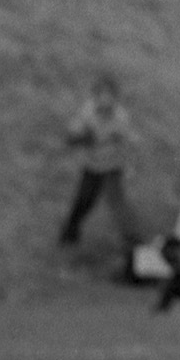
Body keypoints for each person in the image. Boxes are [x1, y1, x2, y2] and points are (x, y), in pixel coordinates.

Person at [58, 75, 135, 258]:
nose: (105, 101)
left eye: (109, 96)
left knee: (118, 205)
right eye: (101, 96)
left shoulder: (121, 117)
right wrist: (82, 137)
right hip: (92, 167)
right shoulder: (87, 113)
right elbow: (71, 137)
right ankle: (69, 234)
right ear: (96, 97)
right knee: (84, 200)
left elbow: (127, 143)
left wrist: (128, 165)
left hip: (112, 168)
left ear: (115, 98)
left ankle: (132, 243)